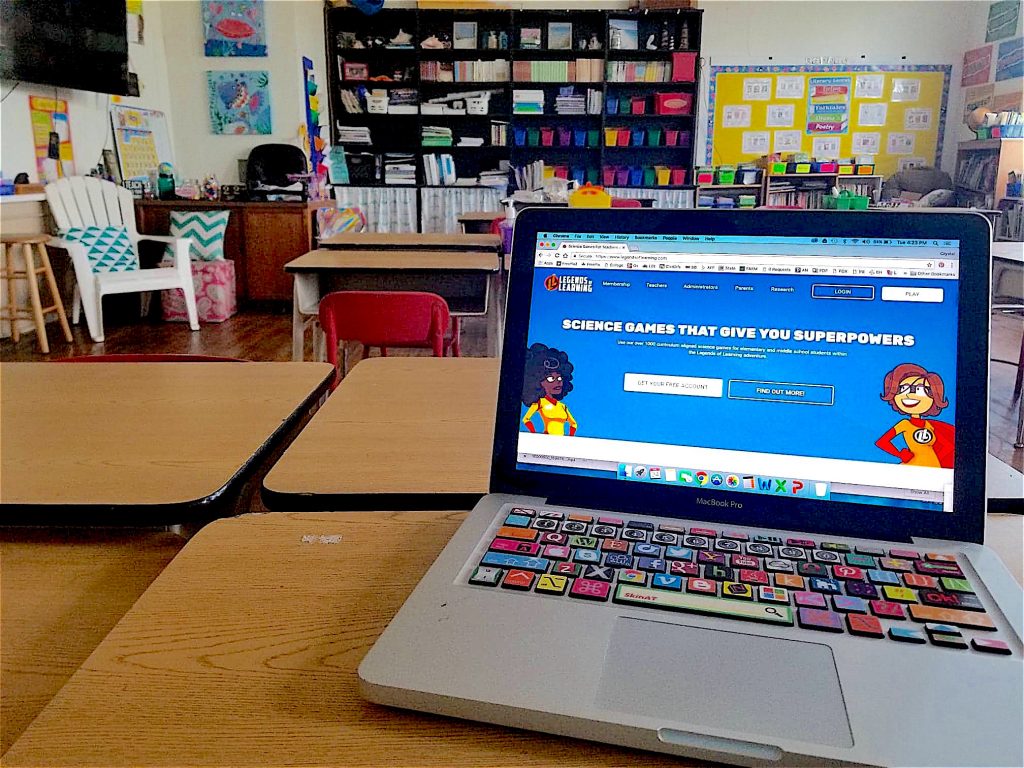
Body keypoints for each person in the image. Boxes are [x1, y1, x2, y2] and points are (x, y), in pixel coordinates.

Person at [875, 362, 954, 468]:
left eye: (919, 389)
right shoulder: (904, 424)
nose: (909, 394)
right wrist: (900, 454)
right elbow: (882, 441)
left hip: (935, 467)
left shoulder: (930, 425)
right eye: (903, 389)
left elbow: (947, 446)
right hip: (913, 467)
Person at [521, 343, 578, 436]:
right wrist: (533, 434)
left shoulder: (562, 406)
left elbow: (574, 424)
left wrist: (570, 439)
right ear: (537, 381)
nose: (558, 382)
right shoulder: (540, 403)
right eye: (550, 379)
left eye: (559, 378)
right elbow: (526, 419)